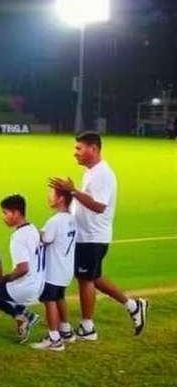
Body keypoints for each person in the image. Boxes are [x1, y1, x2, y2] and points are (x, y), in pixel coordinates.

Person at [49, 132, 148, 340]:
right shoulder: (92, 172)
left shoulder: (102, 174)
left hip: (92, 236)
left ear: (93, 149)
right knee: (92, 276)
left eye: (79, 148)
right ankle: (133, 306)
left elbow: (99, 206)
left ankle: (88, 328)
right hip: (87, 235)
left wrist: (73, 191)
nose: (75, 153)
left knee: (86, 279)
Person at [30, 188, 77, 352]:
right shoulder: (72, 218)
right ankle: (66, 331)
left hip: (53, 270)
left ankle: (54, 339)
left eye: (52, 194)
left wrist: (32, 229)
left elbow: (45, 239)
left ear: (61, 199)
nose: (49, 197)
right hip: (65, 269)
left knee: (49, 300)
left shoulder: (55, 221)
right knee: (59, 298)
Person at [0, 195, 43, 343]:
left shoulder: (18, 237)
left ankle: (22, 315)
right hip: (38, 284)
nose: (3, 217)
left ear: (16, 213)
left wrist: (5, 278)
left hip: (25, 288)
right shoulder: (33, 229)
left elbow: (22, 269)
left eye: (5, 213)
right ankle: (24, 313)